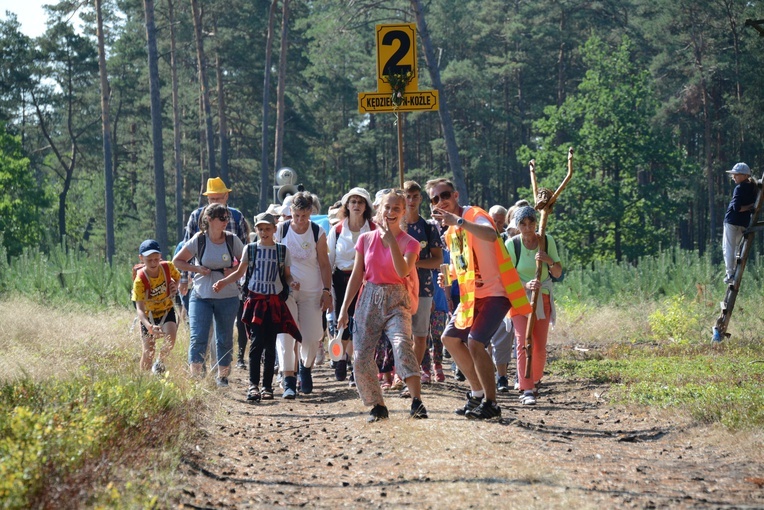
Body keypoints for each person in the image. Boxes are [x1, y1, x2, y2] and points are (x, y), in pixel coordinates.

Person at [427, 178, 531, 420]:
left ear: (455, 195)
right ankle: (477, 393)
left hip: (496, 293)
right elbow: (461, 264)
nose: (441, 201)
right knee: (450, 340)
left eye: (444, 195)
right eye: (435, 199)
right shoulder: (451, 231)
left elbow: (491, 235)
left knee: (475, 343)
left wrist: (461, 222)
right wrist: (449, 277)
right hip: (472, 297)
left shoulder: (473, 215)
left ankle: (492, 403)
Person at [337, 188, 428, 422]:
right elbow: (357, 275)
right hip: (369, 298)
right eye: (387, 207)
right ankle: (377, 405)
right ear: (378, 209)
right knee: (361, 355)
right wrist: (345, 309)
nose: (390, 212)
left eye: (396, 208)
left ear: (404, 212)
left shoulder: (411, 243)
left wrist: (391, 243)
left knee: (401, 346)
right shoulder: (365, 239)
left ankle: (416, 401)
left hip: (397, 298)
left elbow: (402, 271)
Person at [212, 213, 302, 402]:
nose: (264, 232)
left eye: (267, 228)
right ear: (256, 230)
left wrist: (293, 283)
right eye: (260, 229)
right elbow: (240, 272)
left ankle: (267, 387)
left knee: (270, 345)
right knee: (256, 344)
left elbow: (287, 275)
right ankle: (253, 385)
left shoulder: (282, 251)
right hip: (255, 301)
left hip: (274, 301)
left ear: (274, 230)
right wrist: (223, 282)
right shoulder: (250, 249)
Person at [179, 177, 249, 370]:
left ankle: (220, 373)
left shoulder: (236, 217)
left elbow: (246, 252)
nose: (215, 201)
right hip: (201, 285)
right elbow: (186, 249)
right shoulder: (196, 217)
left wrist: (237, 274)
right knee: (200, 333)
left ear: (226, 196)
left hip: (230, 286)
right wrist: (185, 278)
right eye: (211, 198)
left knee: (224, 334)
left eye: (219, 197)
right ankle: (199, 373)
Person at [173, 203, 244, 386]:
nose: (225, 222)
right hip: (201, 296)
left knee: (224, 338)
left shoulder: (232, 240)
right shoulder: (199, 240)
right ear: (210, 220)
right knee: (198, 337)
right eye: (222, 218)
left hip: (228, 296)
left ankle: (222, 378)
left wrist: (234, 270)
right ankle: (196, 379)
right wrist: (195, 268)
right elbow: (177, 261)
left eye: (227, 218)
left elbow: (246, 262)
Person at [275, 192, 333, 398]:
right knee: (286, 336)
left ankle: (305, 367)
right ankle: (288, 378)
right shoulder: (280, 231)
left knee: (311, 336)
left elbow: (325, 264)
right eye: (296, 215)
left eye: (304, 216)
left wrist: (327, 291)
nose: (300, 221)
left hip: (312, 290)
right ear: (290, 212)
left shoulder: (317, 232)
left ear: (310, 213)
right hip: (286, 292)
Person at [506, 206, 563, 405]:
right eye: (523, 224)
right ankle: (526, 388)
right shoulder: (512, 245)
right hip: (520, 299)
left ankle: (534, 378)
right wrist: (525, 285)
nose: (528, 228)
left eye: (531, 223)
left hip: (542, 298)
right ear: (517, 225)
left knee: (539, 348)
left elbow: (557, 272)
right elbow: (506, 277)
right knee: (523, 343)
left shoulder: (547, 241)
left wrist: (547, 260)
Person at [327, 187, 375, 382]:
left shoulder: (373, 229)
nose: (356, 205)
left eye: (360, 202)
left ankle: (358, 366)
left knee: (361, 323)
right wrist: (327, 288)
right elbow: (330, 259)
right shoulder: (337, 229)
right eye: (353, 202)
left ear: (366, 206)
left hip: (366, 280)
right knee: (343, 321)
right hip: (340, 280)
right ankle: (341, 361)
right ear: (347, 205)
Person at [403, 180, 443, 388]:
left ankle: (413, 374)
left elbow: (437, 259)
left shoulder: (428, 228)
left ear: (420, 199)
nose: (411, 201)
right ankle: (397, 373)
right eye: (407, 196)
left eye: (415, 196)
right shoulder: (396, 225)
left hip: (424, 288)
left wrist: (413, 263)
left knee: (420, 335)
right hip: (398, 288)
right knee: (400, 335)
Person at [133, 239, 181, 373]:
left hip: (166, 309)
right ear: (141, 258)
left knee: (171, 338)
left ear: (160, 256)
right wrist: (149, 326)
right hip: (149, 316)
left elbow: (178, 277)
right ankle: (144, 379)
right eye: (149, 260)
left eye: (156, 259)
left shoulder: (168, 267)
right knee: (149, 351)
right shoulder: (140, 280)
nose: (154, 263)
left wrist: (175, 286)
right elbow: (140, 309)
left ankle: (159, 364)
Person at [723, 162, 757, 284]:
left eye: (736, 175)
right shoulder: (753, 188)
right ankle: (733, 272)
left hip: (732, 221)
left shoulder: (739, 188)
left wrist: (747, 207)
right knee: (736, 248)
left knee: (728, 248)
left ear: (744, 175)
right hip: (743, 223)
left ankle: (730, 275)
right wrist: (750, 206)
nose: (733, 177)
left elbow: (737, 208)